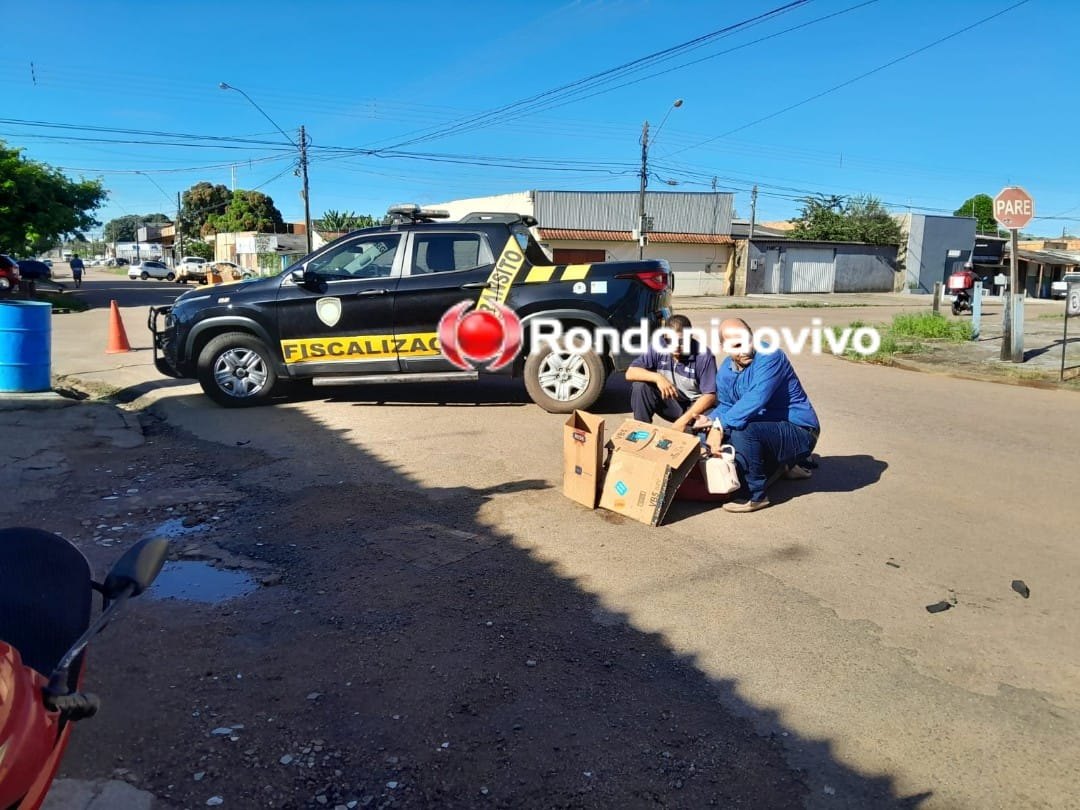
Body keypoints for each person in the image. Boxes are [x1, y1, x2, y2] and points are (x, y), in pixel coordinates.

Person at [703, 318, 820, 513]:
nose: (745, 349)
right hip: (769, 429)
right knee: (708, 427)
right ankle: (787, 466)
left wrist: (719, 426)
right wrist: (710, 421)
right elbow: (727, 405)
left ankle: (755, 495)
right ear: (723, 346)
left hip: (801, 430)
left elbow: (756, 399)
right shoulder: (726, 370)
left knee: (743, 430)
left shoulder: (770, 356)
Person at [625, 314, 717, 433]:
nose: (676, 346)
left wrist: (683, 421)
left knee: (706, 429)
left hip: (695, 407)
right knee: (640, 387)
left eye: (681, 341)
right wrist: (658, 378)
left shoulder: (704, 356)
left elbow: (710, 395)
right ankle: (641, 432)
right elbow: (630, 372)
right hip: (671, 403)